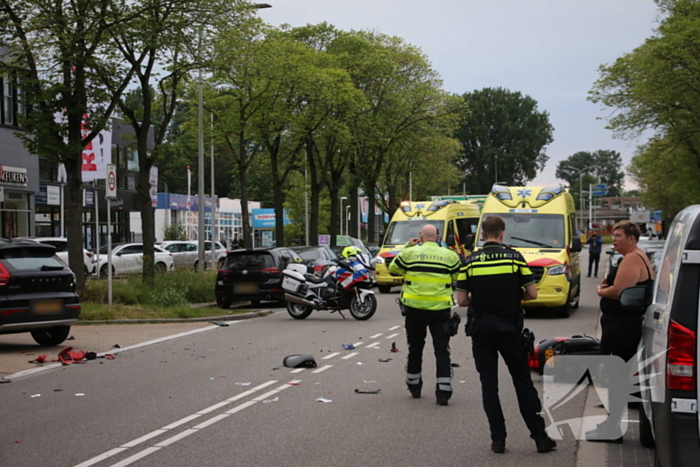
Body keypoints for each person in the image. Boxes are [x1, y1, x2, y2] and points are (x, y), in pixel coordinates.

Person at [456, 216, 557, 454]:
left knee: (489, 385)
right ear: (502, 234)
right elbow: (531, 294)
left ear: (482, 235)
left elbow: (461, 301)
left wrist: (479, 300)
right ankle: (540, 437)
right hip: (510, 329)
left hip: (481, 329)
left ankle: (498, 440)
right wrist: (511, 297)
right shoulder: (515, 258)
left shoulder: (470, 262)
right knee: (523, 382)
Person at [585, 220, 655, 443]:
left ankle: (613, 427)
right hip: (623, 325)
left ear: (631, 239)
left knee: (615, 376)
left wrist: (600, 291)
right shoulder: (636, 257)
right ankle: (612, 423)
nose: (614, 239)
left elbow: (618, 291)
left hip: (622, 327)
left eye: (618, 236)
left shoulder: (633, 258)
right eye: (613, 235)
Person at [389, 225, 461, 406]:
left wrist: (407, 247)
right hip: (440, 309)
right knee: (442, 349)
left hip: (415, 309)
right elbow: (457, 276)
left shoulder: (410, 253)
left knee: (415, 347)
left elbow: (393, 269)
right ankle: (443, 391)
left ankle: (414, 385)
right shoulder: (450, 255)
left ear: (420, 237)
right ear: (437, 237)